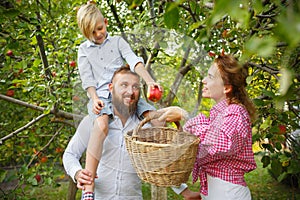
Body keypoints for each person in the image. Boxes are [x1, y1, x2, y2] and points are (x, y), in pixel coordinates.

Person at [63, 66, 201, 200]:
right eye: (124, 85)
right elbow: (70, 154)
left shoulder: (146, 128)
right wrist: (77, 172)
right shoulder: (94, 122)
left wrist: (185, 192)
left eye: (135, 86)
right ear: (111, 88)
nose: (130, 91)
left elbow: (161, 164)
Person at [76, 2, 161, 198]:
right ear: (84, 33)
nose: (98, 34)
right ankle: (89, 188)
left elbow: (134, 60)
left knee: (156, 119)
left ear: (105, 22)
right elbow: (86, 78)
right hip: (101, 97)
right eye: (92, 32)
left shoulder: (117, 42)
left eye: (100, 28)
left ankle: (166, 167)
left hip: (124, 93)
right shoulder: (83, 50)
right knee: (102, 126)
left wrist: (149, 81)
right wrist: (94, 97)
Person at [157, 54, 257, 200]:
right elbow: (201, 150)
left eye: (210, 77)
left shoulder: (235, 112)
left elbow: (220, 144)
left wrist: (185, 116)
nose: (203, 80)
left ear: (227, 88)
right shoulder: (219, 115)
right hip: (216, 191)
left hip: (228, 193)